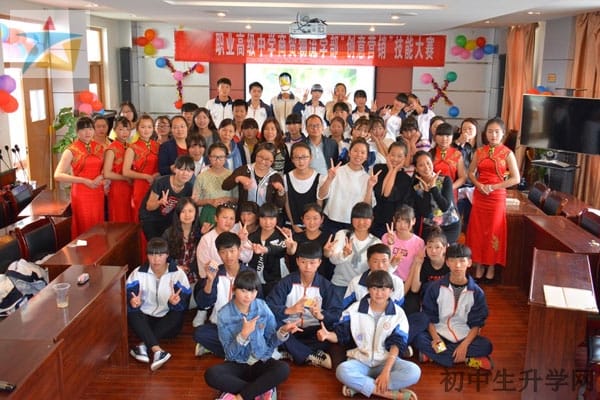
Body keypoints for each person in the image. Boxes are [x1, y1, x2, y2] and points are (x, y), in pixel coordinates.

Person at [317, 270, 420, 400]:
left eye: (383, 289)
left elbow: (397, 343)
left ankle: (359, 387)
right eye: (375, 289)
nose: (379, 293)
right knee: (342, 371)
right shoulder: (355, 309)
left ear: (391, 291)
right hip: (361, 361)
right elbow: (342, 334)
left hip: (386, 361)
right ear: (368, 289)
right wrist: (328, 335)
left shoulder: (398, 314)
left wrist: (386, 371)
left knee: (414, 372)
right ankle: (389, 393)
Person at [204, 269, 300, 400]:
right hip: (238, 363)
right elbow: (230, 354)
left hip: (261, 361)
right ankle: (260, 391)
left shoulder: (262, 306)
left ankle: (240, 396)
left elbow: (271, 341)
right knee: (211, 374)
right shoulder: (224, 314)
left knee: (283, 369)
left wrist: (283, 331)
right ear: (234, 289)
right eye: (243, 291)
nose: (248, 296)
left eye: (252, 291)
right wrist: (242, 336)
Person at [413, 243, 493, 370]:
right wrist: (436, 338)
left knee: (486, 346)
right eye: (453, 261)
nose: (457, 265)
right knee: (419, 339)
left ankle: (434, 356)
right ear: (447, 263)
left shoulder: (477, 293)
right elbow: (428, 316)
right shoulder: (435, 288)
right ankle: (466, 359)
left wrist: (464, 345)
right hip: (440, 334)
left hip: (463, 336)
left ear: (469, 263)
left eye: (462, 261)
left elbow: (477, 323)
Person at [267, 241, 342, 370]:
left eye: (312, 263)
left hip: (313, 331)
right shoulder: (286, 283)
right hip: (290, 328)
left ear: (319, 262)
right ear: (297, 261)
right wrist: (289, 310)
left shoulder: (325, 286)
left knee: (331, 333)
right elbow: (269, 306)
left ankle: (292, 351)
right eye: (303, 262)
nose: (307, 267)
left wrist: (321, 315)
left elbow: (336, 312)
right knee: (273, 326)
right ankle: (309, 355)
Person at [466, 118, 520, 283]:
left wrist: (494, 187)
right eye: (490, 131)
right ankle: (479, 264)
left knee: (494, 231)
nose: (493, 135)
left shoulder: (507, 153)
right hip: (480, 195)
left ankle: (491, 266)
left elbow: (516, 178)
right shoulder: (479, 151)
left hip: (496, 197)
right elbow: (470, 173)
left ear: (503, 134)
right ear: (485, 134)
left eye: (497, 132)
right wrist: (479, 185)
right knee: (478, 230)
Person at [127, 237, 191, 371]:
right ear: (147, 255)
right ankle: (157, 350)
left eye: (160, 255)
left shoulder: (178, 274)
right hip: (145, 322)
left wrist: (175, 303)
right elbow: (129, 295)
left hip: (168, 325)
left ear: (167, 255)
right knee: (132, 311)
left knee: (177, 312)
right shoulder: (138, 273)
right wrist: (133, 302)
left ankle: (143, 345)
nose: (156, 260)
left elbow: (184, 303)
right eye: (152, 255)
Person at [194, 232, 254, 358]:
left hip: (243, 326)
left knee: (254, 337)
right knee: (200, 333)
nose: (228, 256)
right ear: (218, 253)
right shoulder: (216, 273)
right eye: (223, 252)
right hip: (219, 326)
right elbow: (204, 304)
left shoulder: (250, 274)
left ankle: (220, 349)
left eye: (232, 251)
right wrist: (210, 280)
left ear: (239, 250)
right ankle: (239, 352)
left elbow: (258, 305)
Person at [54, 116, 105, 239]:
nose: (87, 132)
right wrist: (84, 180)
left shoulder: (100, 147)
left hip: (97, 190)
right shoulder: (71, 150)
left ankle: (98, 249)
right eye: (83, 129)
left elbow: (107, 167)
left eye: (90, 129)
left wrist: (101, 176)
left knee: (98, 223)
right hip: (81, 192)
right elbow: (57, 175)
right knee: (84, 224)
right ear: (77, 132)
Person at [318, 138, 378, 234]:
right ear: (349, 153)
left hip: (354, 224)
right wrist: (329, 179)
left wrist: (370, 186)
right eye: (355, 151)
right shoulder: (336, 171)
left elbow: (367, 207)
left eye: (363, 152)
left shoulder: (368, 178)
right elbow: (321, 195)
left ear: (367, 157)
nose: (358, 155)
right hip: (332, 220)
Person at [328, 202, 381, 298]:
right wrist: (344, 254)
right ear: (351, 219)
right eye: (357, 218)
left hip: (362, 288)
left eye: (365, 218)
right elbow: (333, 260)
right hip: (340, 285)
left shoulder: (376, 242)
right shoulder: (342, 234)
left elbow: (379, 268)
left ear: (372, 219)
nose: (361, 222)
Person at [139, 155, 194, 241]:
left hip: (169, 220)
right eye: (182, 169)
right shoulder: (161, 182)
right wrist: (159, 202)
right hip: (151, 219)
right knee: (157, 245)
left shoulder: (189, 188)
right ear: (175, 169)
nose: (185, 173)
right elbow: (149, 206)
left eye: (189, 170)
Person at [412, 150, 460, 244]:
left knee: (444, 249)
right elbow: (425, 212)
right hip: (430, 227)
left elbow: (445, 206)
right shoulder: (416, 187)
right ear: (416, 169)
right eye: (421, 165)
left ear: (432, 163)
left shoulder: (445, 180)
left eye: (428, 163)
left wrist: (433, 188)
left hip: (450, 225)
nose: (426, 168)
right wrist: (426, 192)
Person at [222, 142, 286, 208]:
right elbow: (225, 186)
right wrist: (237, 178)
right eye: (260, 157)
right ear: (256, 155)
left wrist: (281, 192)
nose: (263, 161)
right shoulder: (243, 170)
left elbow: (280, 205)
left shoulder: (276, 177)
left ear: (272, 161)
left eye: (267, 159)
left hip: (265, 214)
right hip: (245, 212)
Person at [371, 141, 414, 237]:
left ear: (405, 158)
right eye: (392, 155)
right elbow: (381, 193)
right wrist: (391, 170)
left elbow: (387, 194)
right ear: (387, 155)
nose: (395, 159)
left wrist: (394, 171)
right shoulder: (378, 168)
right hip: (374, 218)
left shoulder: (406, 178)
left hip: (392, 223)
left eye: (399, 156)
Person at [342, 243, 404, 309]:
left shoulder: (397, 283)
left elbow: (398, 308)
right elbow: (346, 307)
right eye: (375, 261)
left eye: (384, 261)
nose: (380, 266)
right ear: (368, 262)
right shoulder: (356, 283)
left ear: (389, 261)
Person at [123, 114, 160, 223]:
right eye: (143, 127)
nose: (146, 130)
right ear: (137, 128)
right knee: (141, 215)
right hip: (140, 185)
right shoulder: (132, 148)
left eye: (149, 127)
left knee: (156, 216)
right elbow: (126, 171)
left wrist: (157, 174)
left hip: (157, 184)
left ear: (153, 129)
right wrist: (146, 176)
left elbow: (162, 165)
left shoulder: (157, 145)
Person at [404, 226, 449, 315]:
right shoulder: (424, 262)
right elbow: (415, 289)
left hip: (444, 297)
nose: (433, 251)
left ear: (445, 248)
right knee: (410, 306)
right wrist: (418, 264)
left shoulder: (449, 263)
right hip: (425, 296)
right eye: (429, 247)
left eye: (437, 247)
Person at [286, 203, 335, 280]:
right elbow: (291, 259)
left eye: (315, 218)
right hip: (298, 280)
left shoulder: (329, 238)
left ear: (322, 219)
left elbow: (330, 262)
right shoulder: (295, 238)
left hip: (322, 280)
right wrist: (290, 251)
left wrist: (327, 253)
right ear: (302, 219)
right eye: (308, 218)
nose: (311, 222)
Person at [192, 142, 237, 226]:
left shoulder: (232, 176)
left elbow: (237, 198)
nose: (217, 160)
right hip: (207, 217)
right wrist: (210, 201)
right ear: (209, 157)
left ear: (225, 157)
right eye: (214, 157)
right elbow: (195, 201)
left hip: (227, 217)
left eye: (221, 157)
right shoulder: (201, 177)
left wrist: (226, 199)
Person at [248, 203, 288, 296]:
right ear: (259, 218)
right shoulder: (252, 236)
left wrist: (266, 249)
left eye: (271, 218)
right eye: (264, 218)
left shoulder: (282, 236)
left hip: (276, 280)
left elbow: (281, 248)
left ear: (277, 219)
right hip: (255, 282)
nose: (267, 222)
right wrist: (242, 240)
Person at [162, 197, 203, 287]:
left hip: (194, 277)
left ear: (196, 213)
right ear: (178, 214)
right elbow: (162, 256)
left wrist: (204, 235)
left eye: (190, 211)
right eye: (183, 211)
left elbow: (202, 258)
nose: (187, 215)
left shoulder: (200, 232)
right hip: (172, 276)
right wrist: (175, 267)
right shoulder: (169, 233)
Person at [381, 205, 425, 283]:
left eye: (406, 222)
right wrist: (390, 244)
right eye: (399, 221)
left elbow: (416, 269)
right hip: (387, 281)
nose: (402, 225)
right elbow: (383, 263)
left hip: (407, 282)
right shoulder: (386, 237)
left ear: (414, 221)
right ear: (394, 220)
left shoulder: (419, 242)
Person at [284, 142, 322, 233]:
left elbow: (319, 204)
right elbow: (286, 203)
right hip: (292, 226)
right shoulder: (285, 178)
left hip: (313, 226)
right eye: (297, 157)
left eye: (304, 157)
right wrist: (293, 224)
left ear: (311, 158)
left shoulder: (319, 177)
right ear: (292, 159)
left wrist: (314, 225)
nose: (301, 161)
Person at [103, 116, 133, 222]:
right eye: (121, 129)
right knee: (119, 218)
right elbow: (107, 173)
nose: (124, 132)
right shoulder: (111, 149)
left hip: (131, 187)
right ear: (114, 130)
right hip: (118, 188)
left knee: (131, 218)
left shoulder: (131, 147)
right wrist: (125, 178)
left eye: (127, 129)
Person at [431, 122, 466, 202]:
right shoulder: (430, 154)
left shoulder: (457, 154)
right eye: (441, 135)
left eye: (447, 136)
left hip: (451, 192)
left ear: (452, 137)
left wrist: (450, 187)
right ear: (435, 137)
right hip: (433, 192)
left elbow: (462, 177)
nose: (444, 139)